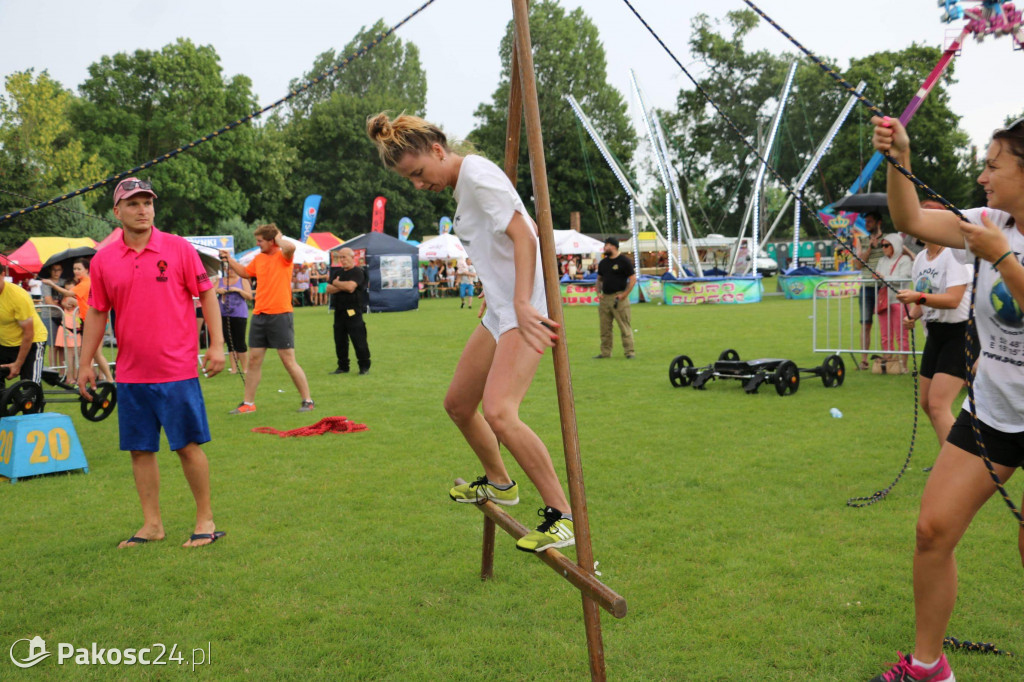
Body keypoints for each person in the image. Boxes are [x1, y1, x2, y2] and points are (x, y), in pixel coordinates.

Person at [367, 111, 574, 553]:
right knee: (459, 404)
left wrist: (520, 299)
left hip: (525, 310)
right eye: (411, 180)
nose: (420, 185)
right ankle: (500, 483)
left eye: (420, 173)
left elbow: (526, 236)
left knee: (500, 412)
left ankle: (563, 515)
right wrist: (493, 290)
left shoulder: (477, 174)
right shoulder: (466, 187)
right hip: (501, 308)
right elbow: (497, 243)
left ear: (438, 150)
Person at [866, 115, 1024, 682]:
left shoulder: (995, 237)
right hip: (994, 412)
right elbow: (910, 219)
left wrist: (1003, 257)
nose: (982, 176)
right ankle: (929, 669)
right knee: (932, 532)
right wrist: (899, 158)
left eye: (993, 165)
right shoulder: (988, 221)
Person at [78, 177, 226, 548]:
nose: (142, 209)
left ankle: (205, 521)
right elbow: (96, 312)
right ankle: (152, 525)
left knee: (187, 446)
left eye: (147, 202)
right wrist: (84, 365)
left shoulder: (177, 248)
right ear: (117, 211)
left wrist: (217, 345)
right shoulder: (103, 260)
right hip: (130, 374)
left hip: (176, 370)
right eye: (133, 204)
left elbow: (207, 295)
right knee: (140, 450)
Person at [220, 224, 314, 414]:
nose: (257, 243)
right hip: (259, 314)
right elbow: (246, 273)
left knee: (288, 360)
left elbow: (290, 248)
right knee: (254, 360)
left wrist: (277, 237)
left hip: (280, 314)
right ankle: (248, 404)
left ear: (272, 241)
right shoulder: (259, 258)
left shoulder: (283, 256)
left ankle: (307, 400)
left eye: (260, 240)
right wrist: (229, 259)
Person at [897, 225, 973, 453]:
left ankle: (957, 464)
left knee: (939, 404)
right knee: (927, 404)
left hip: (960, 333)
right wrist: (913, 315)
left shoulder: (953, 254)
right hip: (936, 333)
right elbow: (925, 298)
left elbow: (953, 300)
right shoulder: (920, 258)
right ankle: (948, 459)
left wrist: (917, 297)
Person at [45, 259, 114, 382]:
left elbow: (67, 292)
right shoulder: (87, 282)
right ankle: (105, 379)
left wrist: (52, 284)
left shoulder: (85, 283)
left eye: (79, 269)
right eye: (74, 269)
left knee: (94, 353)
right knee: (93, 354)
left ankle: (107, 380)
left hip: (94, 321)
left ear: (87, 270)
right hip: (93, 321)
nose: (75, 271)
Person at [326, 247, 371, 376]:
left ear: (352, 257)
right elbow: (328, 289)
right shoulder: (337, 273)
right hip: (339, 311)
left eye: (344, 257)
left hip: (353, 310)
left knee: (358, 338)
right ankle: (343, 366)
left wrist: (337, 284)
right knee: (340, 340)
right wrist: (340, 285)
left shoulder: (358, 272)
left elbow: (351, 288)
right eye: (340, 257)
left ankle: (364, 366)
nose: (342, 260)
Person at [0, 262, 48, 383]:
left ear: (3, 275)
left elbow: (28, 334)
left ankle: (33, 399)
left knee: (30, 388)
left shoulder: (18, 296)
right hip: (5, 342)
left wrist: (18, 364)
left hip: (32, 341)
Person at [875, 233, 914, 373]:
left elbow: (903, 279)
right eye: (882, 245)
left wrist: (885, 277)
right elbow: (880, 280)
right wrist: (878, 278)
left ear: (895, 245)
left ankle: (903, 365)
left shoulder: (904, 260)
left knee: (901, 335)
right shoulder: (882, 260)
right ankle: (887, 363)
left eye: (886, 245)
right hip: (884, 301)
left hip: (900, 301)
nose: (883, 248)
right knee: (885, 335)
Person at [594, 237, 636, 359]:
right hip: (605, 299)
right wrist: (598, 292)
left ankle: (629, 352)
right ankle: (605, 353)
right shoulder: (603, 263)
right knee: (605, 329)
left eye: (606, 245)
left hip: (619, 298)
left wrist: (625, 294)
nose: (604, 248)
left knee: (624, 326)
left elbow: (632, 279)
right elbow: (599, 279)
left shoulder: (624, 261)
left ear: (613, 246)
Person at [857, 211, 887, 369]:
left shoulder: (888, 240)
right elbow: (858, 264)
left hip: (884, 287)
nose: (867, 224)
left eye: (870, 221)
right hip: (867, 287)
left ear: (878, 222)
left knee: (886, 324)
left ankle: (887, 358)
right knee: (865, 324)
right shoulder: (862, 240)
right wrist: (870, 248)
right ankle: (864, 360)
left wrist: (882, 245)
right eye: (866, 221)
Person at [216, 265, 253, 375]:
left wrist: (237, 290)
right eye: (228, 269)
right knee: (230, 342)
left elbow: (249, 296)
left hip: (239, 314)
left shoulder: (243, 280)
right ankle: (234, 368)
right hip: (223, 314)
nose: (230, 271)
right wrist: (218, 290)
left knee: (240, 342)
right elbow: (210, 292)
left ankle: (245, 368)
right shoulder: (220, 280)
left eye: (232, 268)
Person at [55, 296, 80, 384]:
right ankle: (69, 377)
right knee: (69, 355)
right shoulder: (68, 299)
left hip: (77, 330)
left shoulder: (78, 299)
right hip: (67, 329)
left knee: (77, 354)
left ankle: (76, 377)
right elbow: (68, 301)